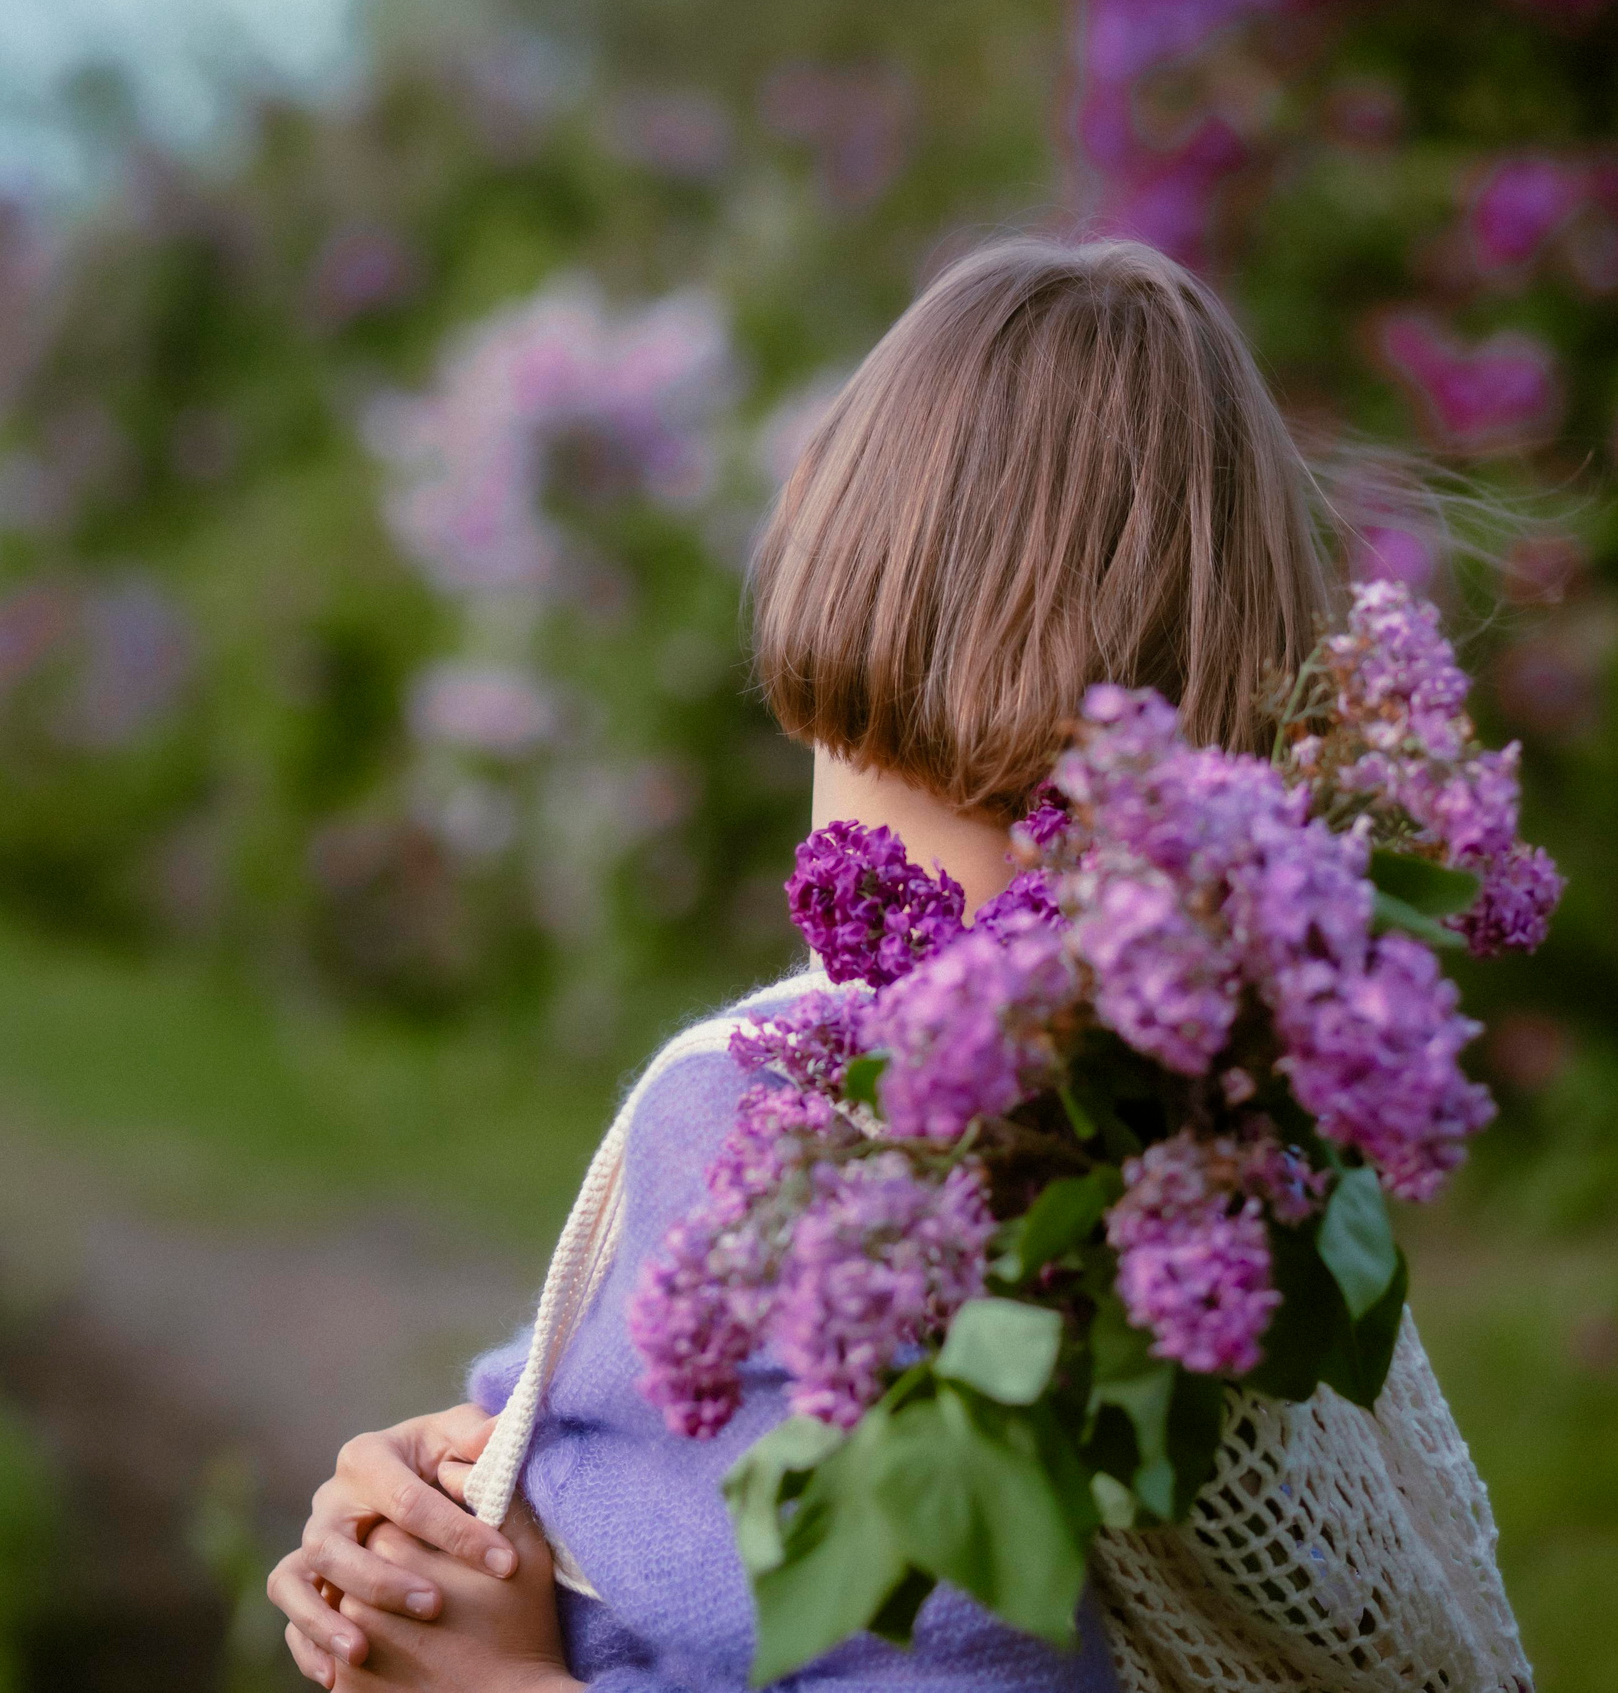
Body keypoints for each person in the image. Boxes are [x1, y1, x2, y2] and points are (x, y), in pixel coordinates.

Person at [268, 233, 1350, 1691]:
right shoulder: (1213, 1149)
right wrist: (447, 1463)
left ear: (853, 569)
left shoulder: (880, 1131)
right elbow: (627, 1416)